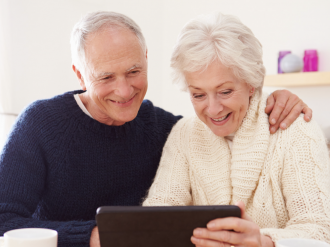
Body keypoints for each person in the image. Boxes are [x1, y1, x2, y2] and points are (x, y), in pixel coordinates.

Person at [0, 11, 313, 247]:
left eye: (134, 71)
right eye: (106, 77)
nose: (124, 91)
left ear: (146, 60)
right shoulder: (40, 124)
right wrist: (95, 237)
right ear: (79, 75)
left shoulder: (167, 129)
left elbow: (219, 120)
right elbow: (3, 220)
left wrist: (274, 97)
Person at [143, 12, 330, 247]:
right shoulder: (184, 134)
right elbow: (154, 217)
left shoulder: (295, 129)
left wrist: (266, 242)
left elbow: (321, 231)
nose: (212, 109)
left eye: (225, 92)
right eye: (198, 94)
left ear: (251, 83)